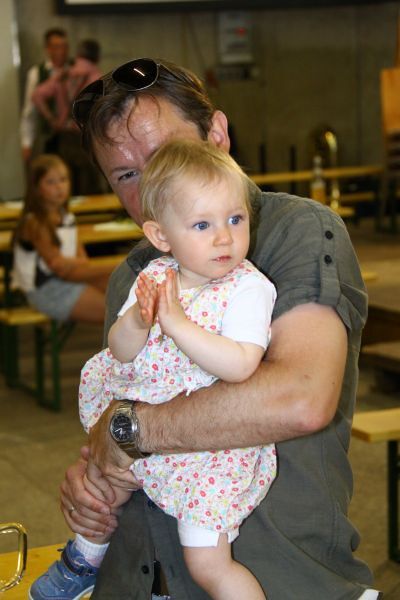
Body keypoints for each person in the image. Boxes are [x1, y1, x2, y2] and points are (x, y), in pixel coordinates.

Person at [56, 57, 376, 599]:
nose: (153, 184)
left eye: (167, 154)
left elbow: (300, 398)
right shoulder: (134, 277)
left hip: (275, 579)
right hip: (139, 580)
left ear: (218, 137)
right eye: (127, 175)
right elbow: (128, 405)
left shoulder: (295, 232)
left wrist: (129, 431)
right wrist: (90, 478)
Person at [29, 139, 277, 600]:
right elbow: (120, 351)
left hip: (206, 443)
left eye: (235, 219)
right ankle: (85, 558)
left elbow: (241, 365)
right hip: (144, 419)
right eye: (202, 224)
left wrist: (178, 325)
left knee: (208, 563)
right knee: (101, 475)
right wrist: (137, 322)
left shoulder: (247, 288)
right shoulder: (155, 276)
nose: (224, 237)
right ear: (161, 236)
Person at [12, 154, 113, 324]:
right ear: (36, 188)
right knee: (116, 311)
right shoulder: (34, 223)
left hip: (70, 278)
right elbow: (58, 266)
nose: (59, 187)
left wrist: (70, 263)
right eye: (50, 182)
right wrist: (110, 268)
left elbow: (82, 261)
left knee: (121, 290)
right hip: (46, 290)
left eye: (63, 180)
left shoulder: (67, 218)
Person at [31, 39, 106, 195]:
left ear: (77, 54)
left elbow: (37, 95)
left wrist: (52, 119)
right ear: (97, 57)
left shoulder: (63, 75)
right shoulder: (96, 76)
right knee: (89, 187)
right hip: (86, 137)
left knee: (67, 182)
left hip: (65, 137)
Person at [20, 28, 69, 166]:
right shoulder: (37, 73)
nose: (61, 51)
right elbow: (30, 111)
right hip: (49, 136)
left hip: (73, 138)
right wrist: (26, 143)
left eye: (64, 46)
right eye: (56, 46)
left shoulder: (75, 69)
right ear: (48, 49)